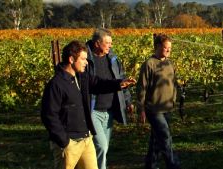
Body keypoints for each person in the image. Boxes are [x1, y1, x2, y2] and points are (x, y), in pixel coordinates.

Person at [41, 40, 135, 169]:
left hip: (86, 139)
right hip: (69, 143)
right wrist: (64, 141)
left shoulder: (81, 77)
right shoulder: (56, 84)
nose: (86, 62)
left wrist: (119, 84)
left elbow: (97, 83)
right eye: (83, 59)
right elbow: (49, 115)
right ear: (71, 59)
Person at [85, 28, 134, 169]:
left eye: (111, 43)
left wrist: (128, 100)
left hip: (109, 110)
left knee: (102, 148)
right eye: (107, 43)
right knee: (102, 146)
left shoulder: (112, 59)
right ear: (97, 43)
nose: (110, 45)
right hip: (93, 109)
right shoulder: (86, 59)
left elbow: (121, 81)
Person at [136, 34, 180, 169]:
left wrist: (174, 99)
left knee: (156, 140)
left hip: (167, 107)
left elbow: (173, 83)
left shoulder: (169, 63)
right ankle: (173, 165)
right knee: (165, 137)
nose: (168, 50)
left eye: (170, 48)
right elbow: (141, 87)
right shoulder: (149, 64)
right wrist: (141, 109)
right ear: (158, 47)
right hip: (154, 109)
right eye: (166, 48)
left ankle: (150, 165)